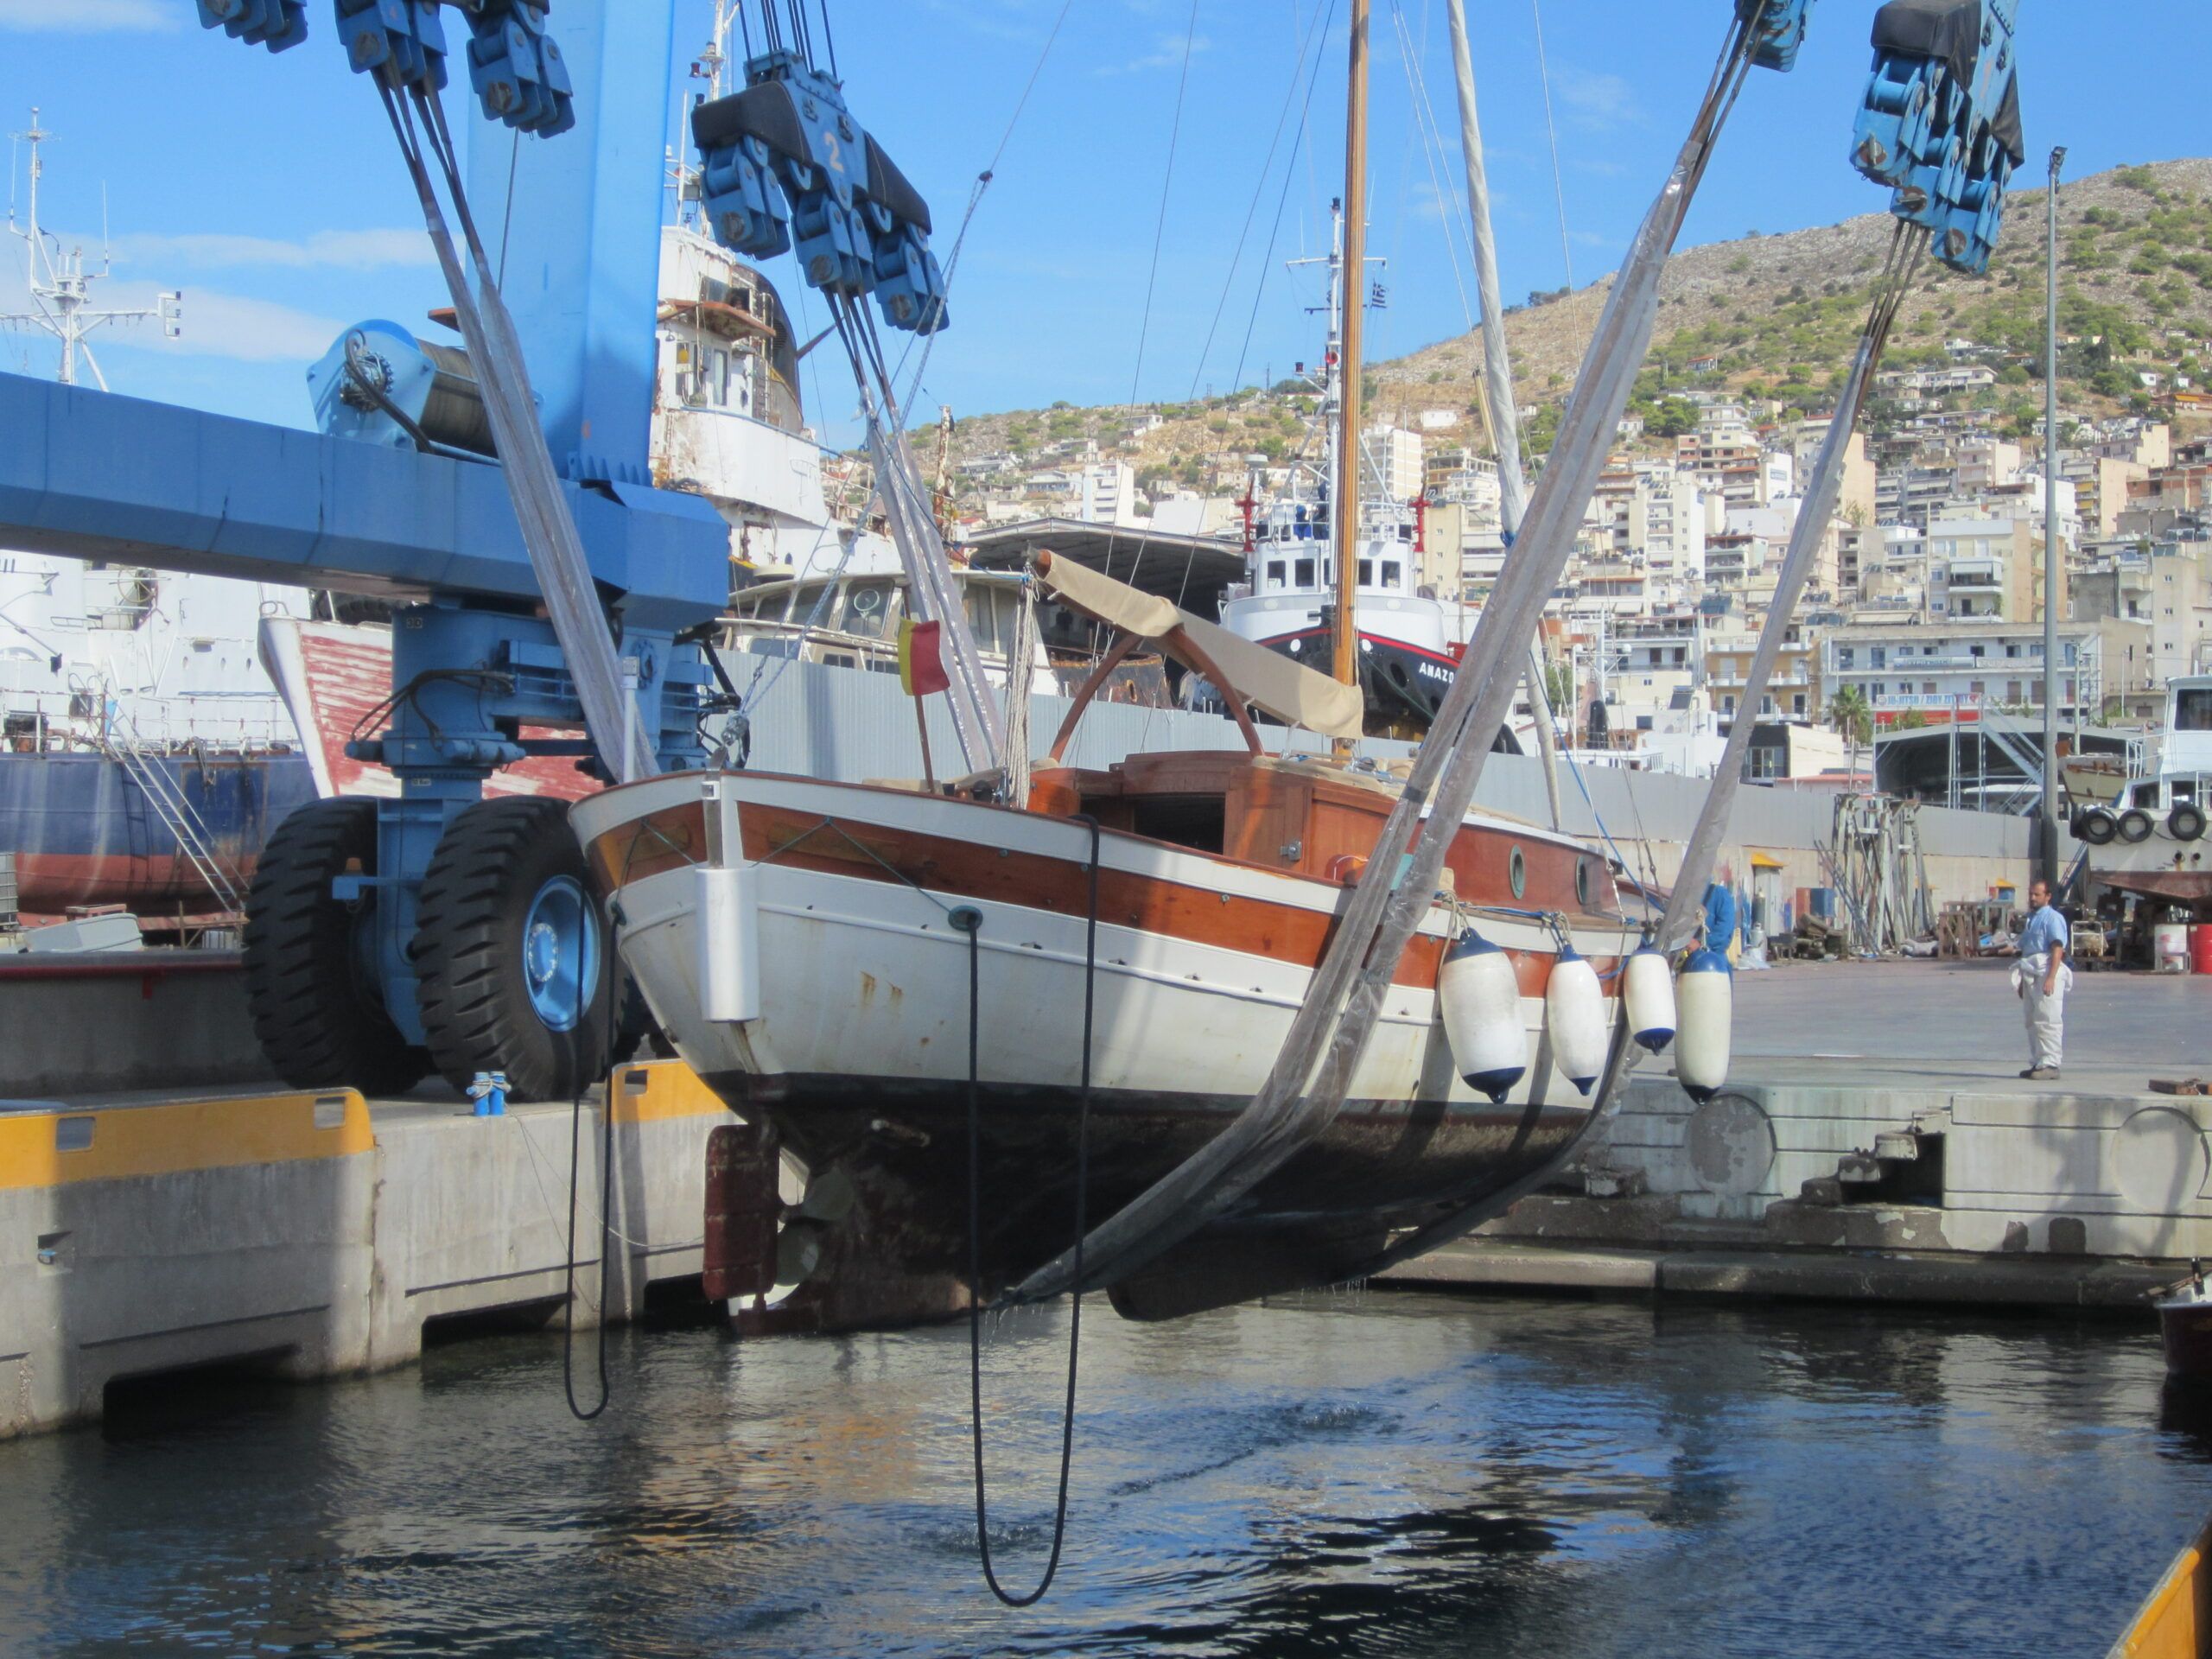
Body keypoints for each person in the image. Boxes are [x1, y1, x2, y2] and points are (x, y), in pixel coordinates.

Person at [2012, 879, 2071, 1080]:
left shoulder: (2052, 918)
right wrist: (2021, 982)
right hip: (2031, 971)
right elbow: (2025, 951)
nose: (2032, 898)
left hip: (2046, 969)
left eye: (2037, 894)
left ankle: (2051, 1063)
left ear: (2048, 896)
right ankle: (2039, 1061)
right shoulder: (2030, 919)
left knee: (2048, 1018)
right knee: (2032, 1019)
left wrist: (2051, 977)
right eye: (2031, 894)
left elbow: (2057, 948)